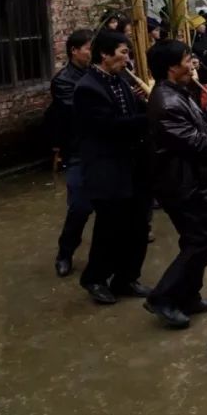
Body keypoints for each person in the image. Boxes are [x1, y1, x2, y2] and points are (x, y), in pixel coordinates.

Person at [144, 40, 207, 329]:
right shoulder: (166, 101)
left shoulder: (178, 93)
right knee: (200, 241)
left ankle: (188, 295)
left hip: (192, 181)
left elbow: (200, 125)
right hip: (179, 184)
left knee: (200, 240)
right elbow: (196, 142)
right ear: (172, 66)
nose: (193, 65)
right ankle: (162, 297)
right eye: (188, 60)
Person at [74, 31, 151, 305]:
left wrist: (145, 104)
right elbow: (107, 127)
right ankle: (94, 279)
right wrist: (148, 117)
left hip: (131, 165)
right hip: (106, 167)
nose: (127, 58)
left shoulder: (119, 80)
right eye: (122, 53)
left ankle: (126, 278)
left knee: (138, 225)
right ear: (104, 55)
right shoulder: (87, 88)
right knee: (110, 228)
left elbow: (128, 114)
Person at [48, 28, 95, 278]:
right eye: (88, 48)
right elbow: (76, 111)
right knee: (79, 206)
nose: (92, 53)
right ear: (74, 51)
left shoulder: (99, 72)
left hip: (103, 150)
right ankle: (65, 253)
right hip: (78, 151)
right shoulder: (63, 80)